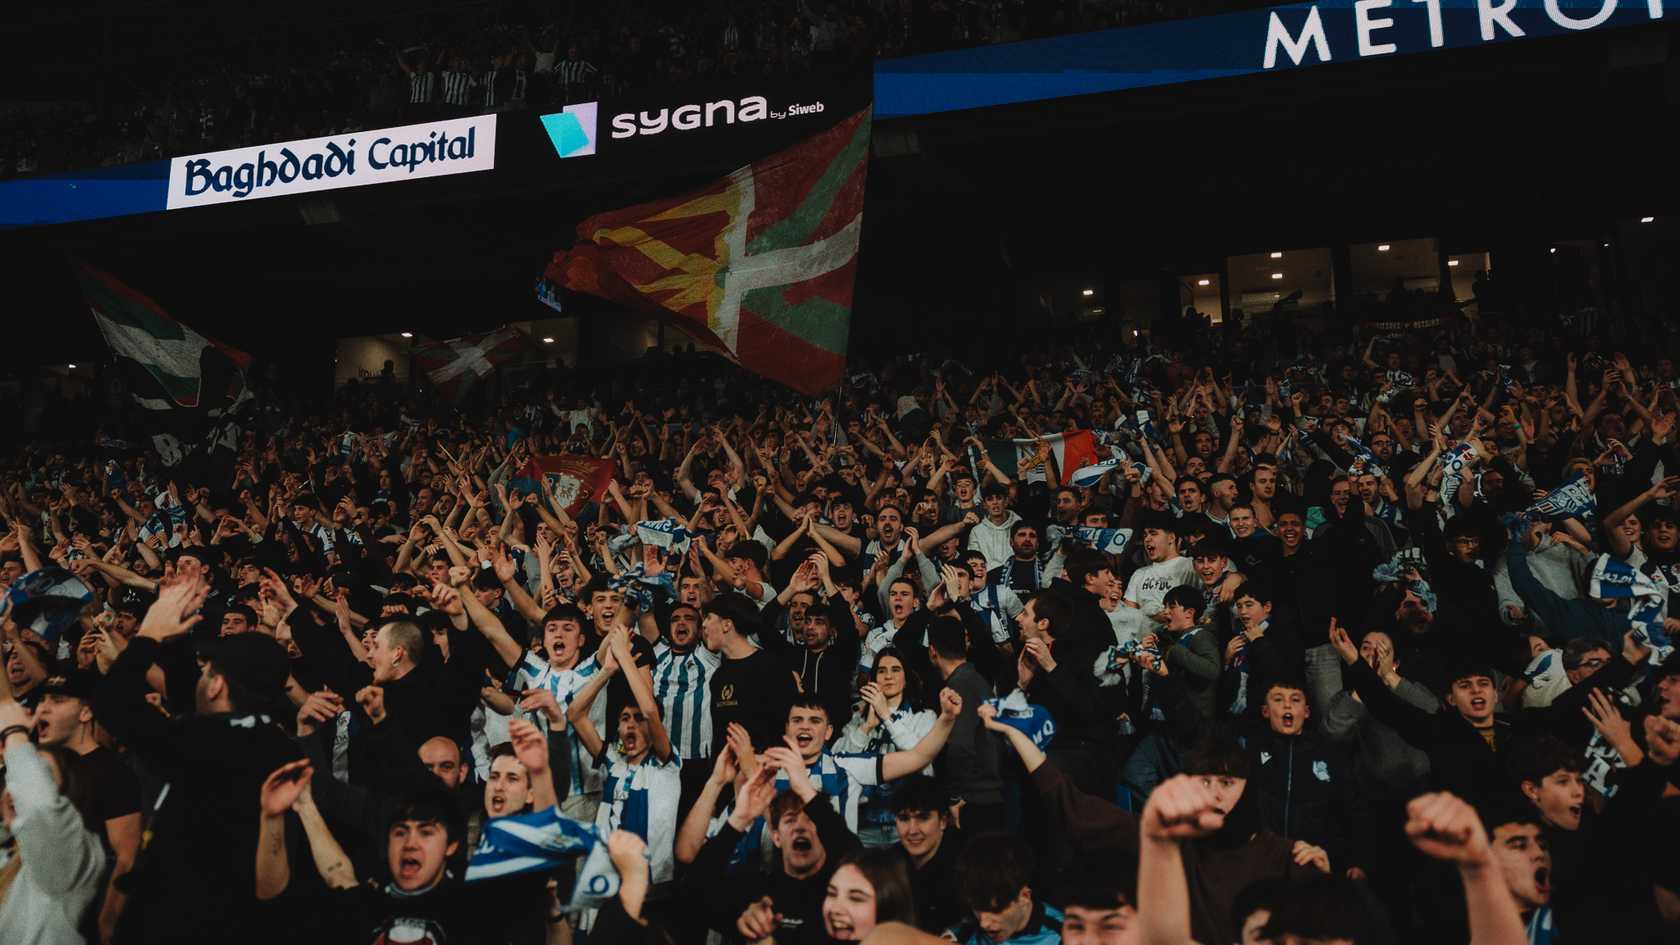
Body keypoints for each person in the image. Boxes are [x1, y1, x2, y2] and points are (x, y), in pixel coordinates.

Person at [0, 687, 108, 945]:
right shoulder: (9, 852)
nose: (18, 787)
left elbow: (40, 808)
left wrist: (14, 732)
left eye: (42, 775)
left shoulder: (78, 855)